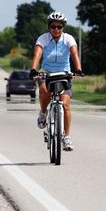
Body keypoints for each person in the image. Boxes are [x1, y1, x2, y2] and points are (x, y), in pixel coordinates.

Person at [30, 11, 83, 151]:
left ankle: (66, 137)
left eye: (59, 27)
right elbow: (37, 54)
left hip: (64, 73)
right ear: (49, 27)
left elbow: (74, 53)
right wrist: (34, 69)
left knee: (65, 106)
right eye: (53, 26)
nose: (56, 29)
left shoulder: (68, 39)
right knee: (43, 90)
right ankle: (43, 112)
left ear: (63, 27)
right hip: (47, 72)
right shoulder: (43, 39)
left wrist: (78, 69)